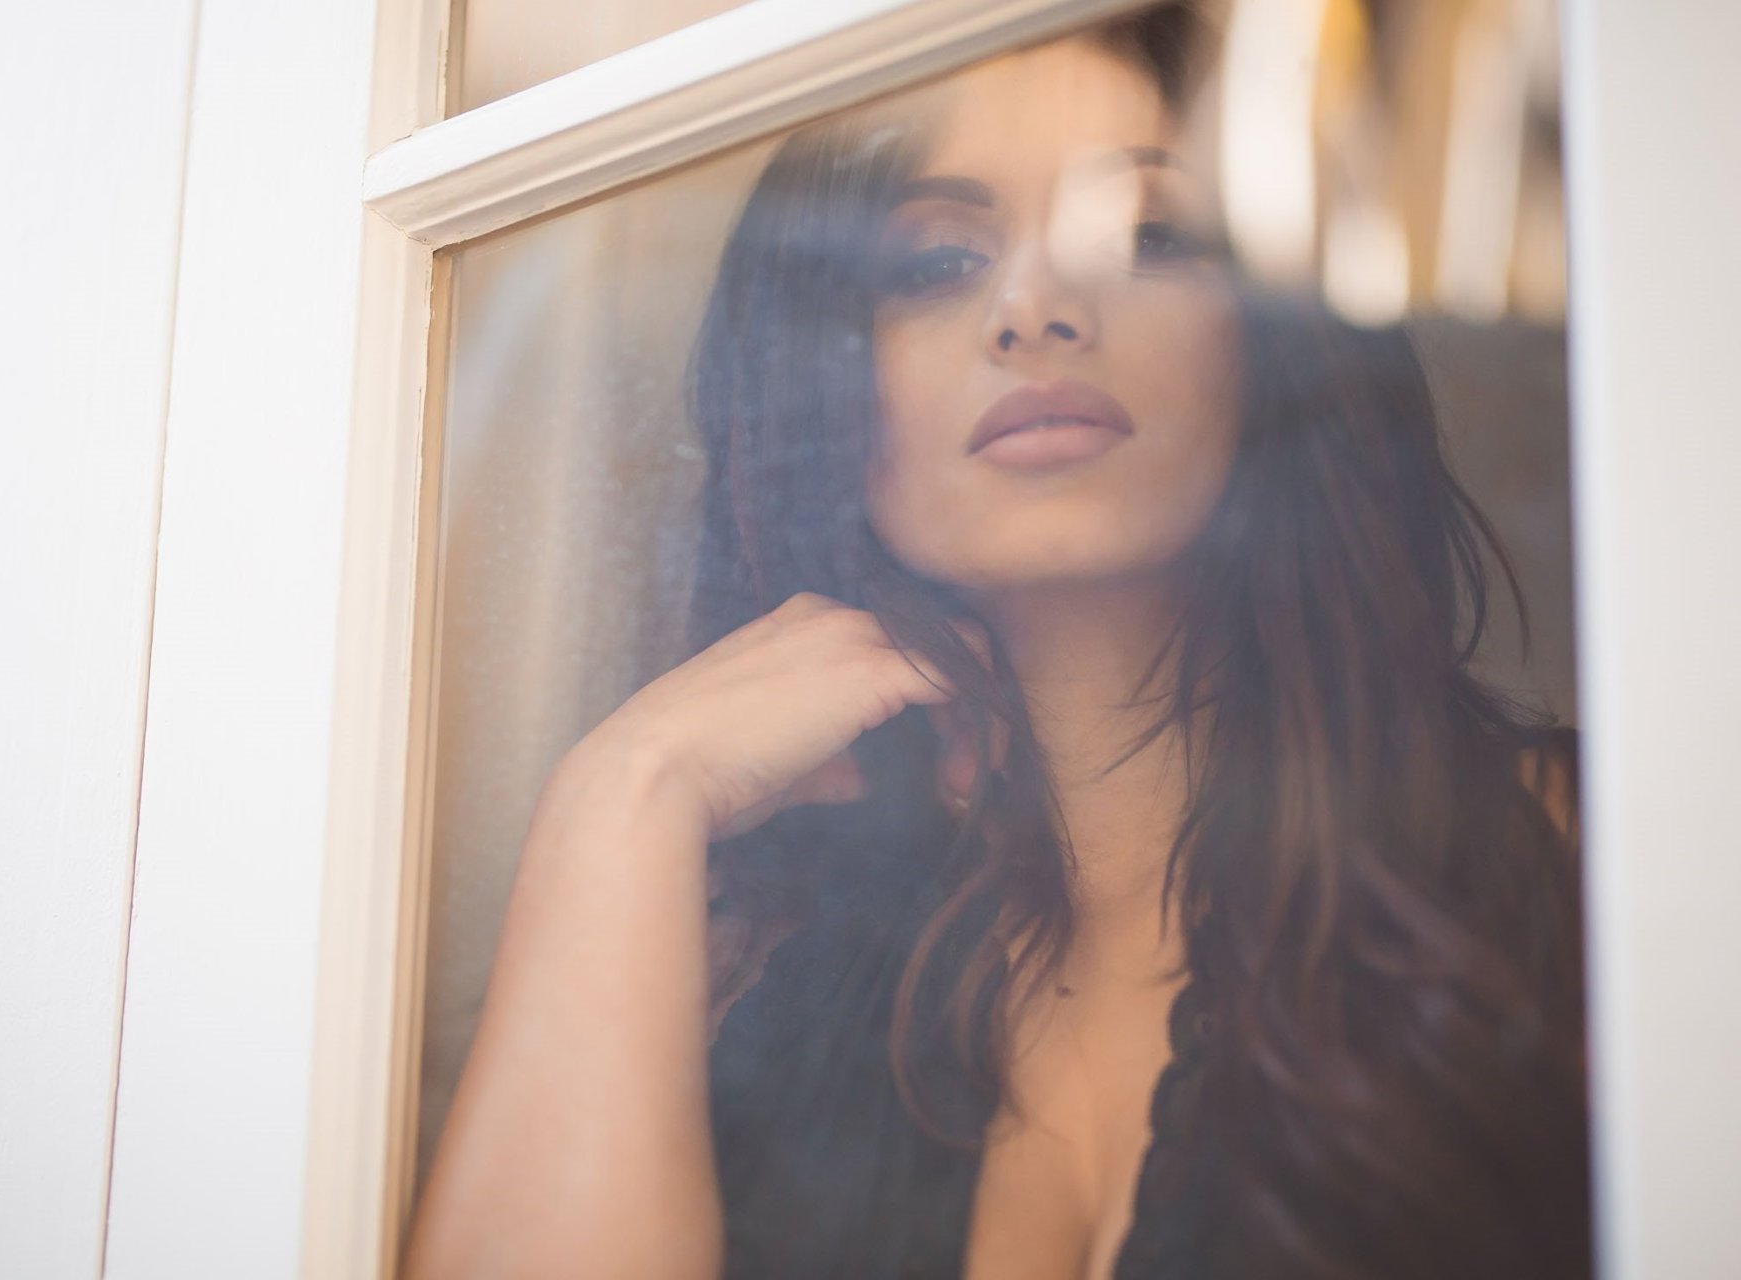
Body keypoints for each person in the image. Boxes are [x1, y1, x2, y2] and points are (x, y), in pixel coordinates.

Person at [401, 4, 1591, 1277]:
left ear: (1277, 344)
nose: (1036, 307)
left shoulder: (1577, 857)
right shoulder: (805, 994)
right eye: (937, 261)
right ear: (836, 402)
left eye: (1149, 235)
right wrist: (627, 788)